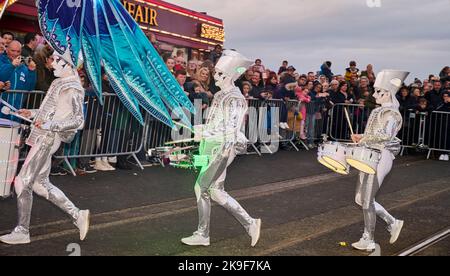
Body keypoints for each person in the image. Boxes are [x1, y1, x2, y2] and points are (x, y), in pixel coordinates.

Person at [0, 53, 90, 245]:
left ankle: (22, 231)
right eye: (53, 58)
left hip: (48, 139)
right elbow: (50, 112)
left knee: (22, 182)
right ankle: (78, 215)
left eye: (58, 60)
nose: (52, 62)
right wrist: (31, 113)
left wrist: (50, 125)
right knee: (40, 185)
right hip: (43, 136)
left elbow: (78, 121)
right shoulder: (59, 83)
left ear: (70, 64)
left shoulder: (73, 87)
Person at [181, 50, 261, 247]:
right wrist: (203, 129)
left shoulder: (235, 98)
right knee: (216, 191)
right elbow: (215, 122)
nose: (213, 76)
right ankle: (250, 223)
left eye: (218, 73)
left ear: (228, 76)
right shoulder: (220, 95)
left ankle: (203, 234)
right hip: (213, 145)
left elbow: (230, 129)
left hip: (223, 147)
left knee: (201, 186)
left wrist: (206, 133)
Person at [350, 70, 408, 252]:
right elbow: (373, 134)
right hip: (369, 154)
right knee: (360, 198)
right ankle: (392, 222)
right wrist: (362, 137)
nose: (374, 95)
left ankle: (369, 238)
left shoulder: (391, 114)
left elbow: (385, 136)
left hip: (381, 157)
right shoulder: (379, 111)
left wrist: (364, 139)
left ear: (387, 93)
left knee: (367, 200)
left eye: (378, 92)